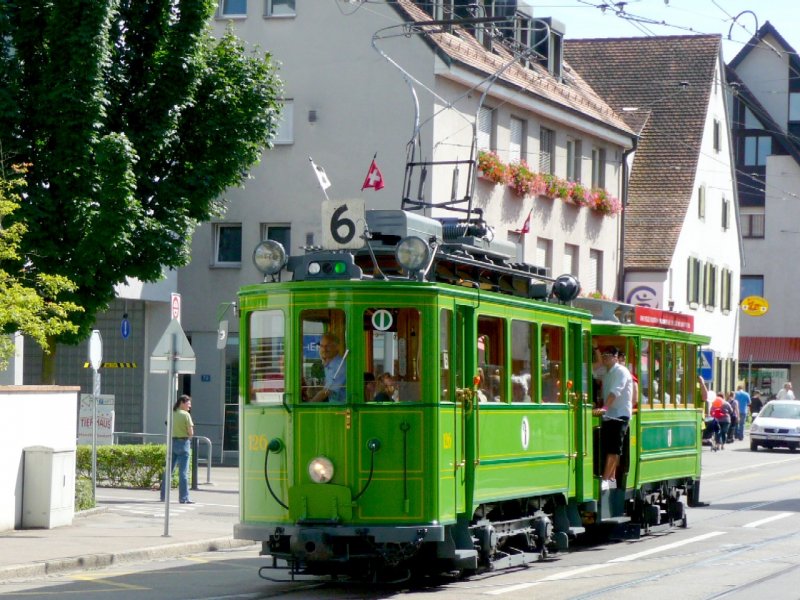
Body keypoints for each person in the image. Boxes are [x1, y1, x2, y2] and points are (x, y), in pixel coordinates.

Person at [594, 346, 633, 490]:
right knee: (606, 448)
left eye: (608, 355)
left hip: (619, 415)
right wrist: (596, 349)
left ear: (616, 357)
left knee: (614, 449)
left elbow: (615, 392)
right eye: (604, 355)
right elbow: (591, 370)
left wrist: (604, 408)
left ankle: (605, 479)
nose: (605, 358)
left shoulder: (621, 371)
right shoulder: (605, 371)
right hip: (608, 416)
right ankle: (608, 476)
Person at [161, 394, 195, 504]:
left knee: (168, 471)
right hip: (183, 443)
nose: (189, 407)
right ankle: (183, 498)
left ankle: (163, 496)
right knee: (183, 473)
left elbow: (167, 424)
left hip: (172, 442)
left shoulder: (171, 412)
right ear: (182, 403)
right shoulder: (186, 415)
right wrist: (188, 438)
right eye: (188, 404)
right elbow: (191, 432)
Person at [310, 333, 347, 403]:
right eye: (321, 346)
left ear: (337, 347)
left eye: (328, 346)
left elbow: (326, 392)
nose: (324, 349)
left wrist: (309, 406)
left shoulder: (339, 365)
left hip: (341, 409)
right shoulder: (328, 365)